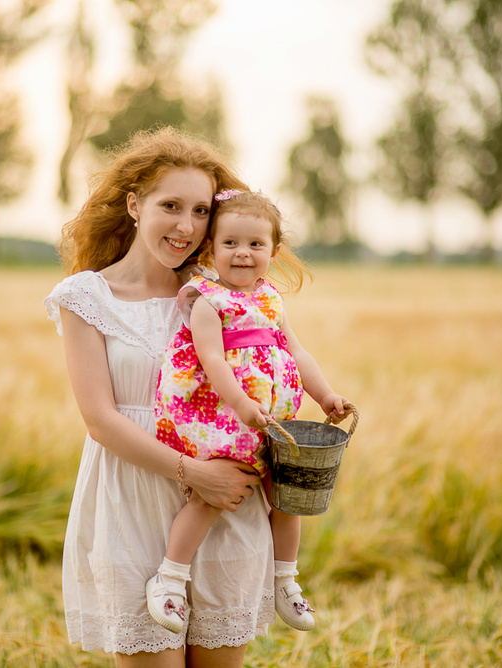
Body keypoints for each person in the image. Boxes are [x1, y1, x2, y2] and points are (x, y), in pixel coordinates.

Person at [44, 127, 274, 668]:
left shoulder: (218, 296)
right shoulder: (86, 297)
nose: (186, 226)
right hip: (135, 500)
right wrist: (195, 474)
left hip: (220, 506)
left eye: (199, 211)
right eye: (170, 205)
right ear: (134, 204)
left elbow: (269, 376)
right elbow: (100, 419)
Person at [147, 189, 350, 635]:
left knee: (288, 496)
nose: (243, 253)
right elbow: (212, 360)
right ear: (211, 248)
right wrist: (241, 404)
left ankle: (285, 580)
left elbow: (296, 352)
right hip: (223, 416)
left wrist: (327, 397)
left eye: (255, 245)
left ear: (273, 252)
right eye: (230, 243)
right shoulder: (205, 299)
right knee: (210, 497)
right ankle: (170, 579)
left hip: (271, 421)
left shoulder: (271, 299)